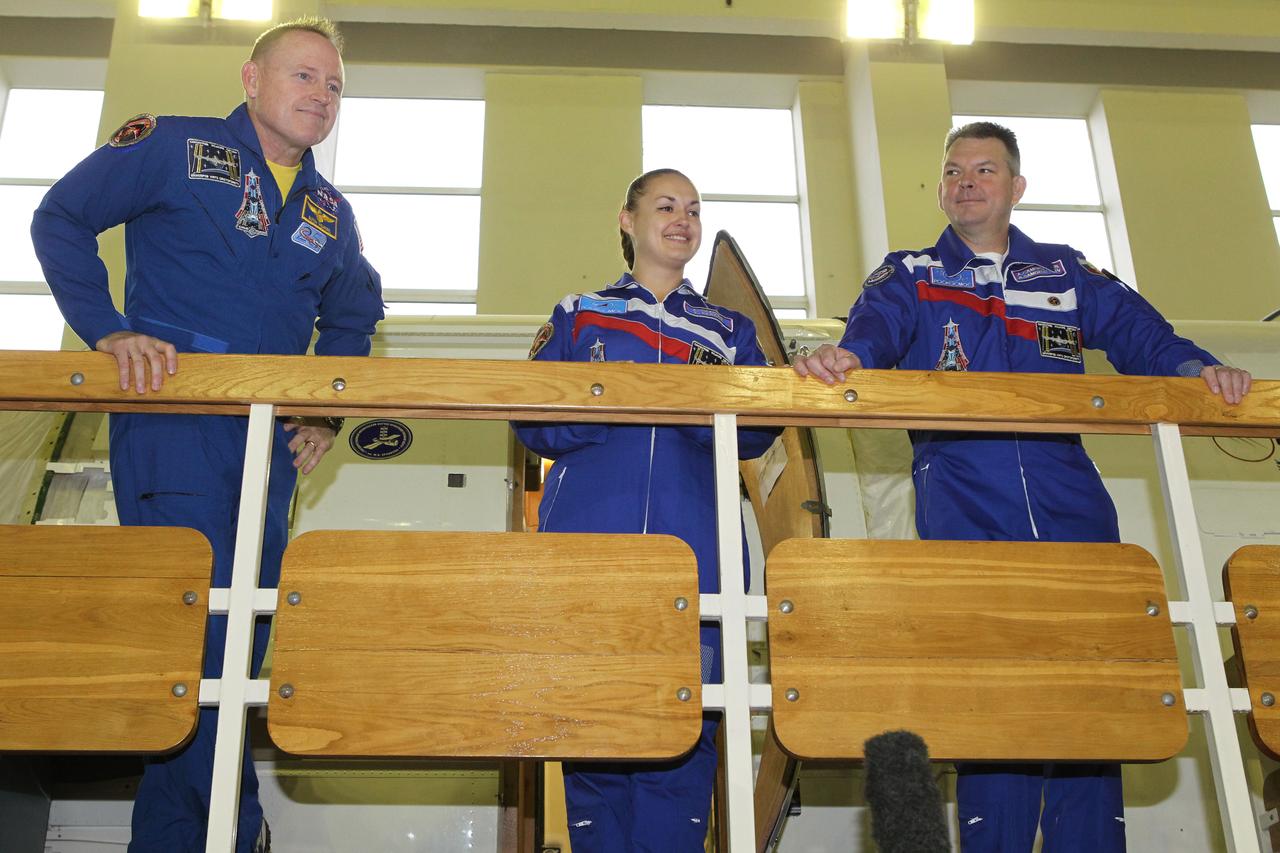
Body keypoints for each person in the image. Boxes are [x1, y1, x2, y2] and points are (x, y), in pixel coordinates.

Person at [793, 121, 1251, 852]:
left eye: (984, 169)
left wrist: (1201, 371)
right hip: (966, 512)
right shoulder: (912, 272)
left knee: (1088, 700)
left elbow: (1144, 337)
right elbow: (873, 331)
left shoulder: (1065, 274)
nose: (967, 181)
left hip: (1073, 510)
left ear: (1016, 187)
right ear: (942, 188)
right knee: (996, 702)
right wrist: (846, 356)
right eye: (953, 170)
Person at [31, 17, 383, 853]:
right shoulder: (173, 147)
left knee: (245, 632)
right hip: (176, 416)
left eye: (333, 86)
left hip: (270, 440)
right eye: (304, 77)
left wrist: (322, 409)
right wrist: (107, 329)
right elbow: (61, 217)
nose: (320, 97)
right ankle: (236, 825)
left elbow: (356, 313)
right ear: (251, 79)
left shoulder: (331, 212)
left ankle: (173, 835)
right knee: (198, 630)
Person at [514, 168, 779, 852]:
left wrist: (689, 417)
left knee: (684, 735)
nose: (682, 218)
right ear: (627, 221)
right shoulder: (580, 313)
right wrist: (617, 410)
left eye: (693, 209)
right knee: (593, 728)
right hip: (588, 557)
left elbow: (760, 428)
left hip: (701, 556)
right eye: (665, 205)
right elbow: (530, 416)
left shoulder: (729, 330)